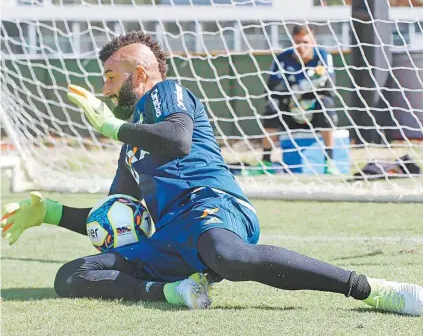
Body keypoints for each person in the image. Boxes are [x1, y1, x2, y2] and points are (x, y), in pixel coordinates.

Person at [2, 31, 422, 316]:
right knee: (72, 275)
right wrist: (51, 213)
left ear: (141, 75)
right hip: (169, 238)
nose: (105, 90)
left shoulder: (169, 92)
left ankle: (371, 289)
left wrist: (112, 128)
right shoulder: (131, 146)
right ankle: (172, 292)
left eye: (111, 78)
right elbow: (116, 217)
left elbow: (179, 140)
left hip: (211, 207)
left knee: (228, 256)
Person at [252, 25, 340, 175]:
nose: (301, 46)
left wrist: (306, 93)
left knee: (327, 105)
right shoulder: (282, 59)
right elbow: (271, 90)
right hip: (290, 110)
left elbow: (329, 88)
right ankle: (266, 161)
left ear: (312, 41)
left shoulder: (323, 56)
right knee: (271, 107)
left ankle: (329, 161)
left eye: (305, 42)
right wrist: (295, 91)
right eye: (297, 42)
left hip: (313, 111)